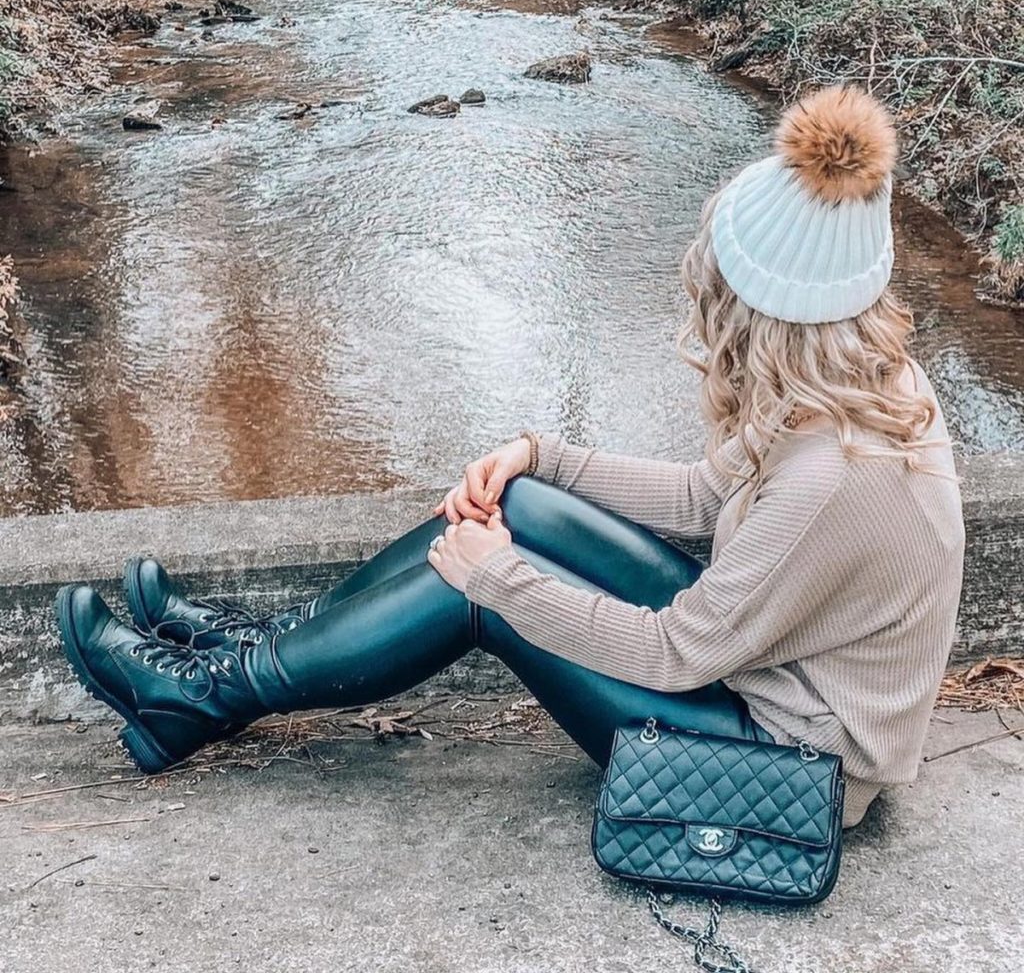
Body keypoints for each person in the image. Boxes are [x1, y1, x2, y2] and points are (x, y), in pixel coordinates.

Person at [56, 84, 964, 828]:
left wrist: (503, 584)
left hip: (782, 763)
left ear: (752, 310)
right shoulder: (858, 384)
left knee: (481, 587)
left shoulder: (832, 476)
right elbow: (701, 498)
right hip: (757, 677)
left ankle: (205, 696)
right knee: (517, 505)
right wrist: (542, 456)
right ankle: (260, 646)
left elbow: (679, 649)